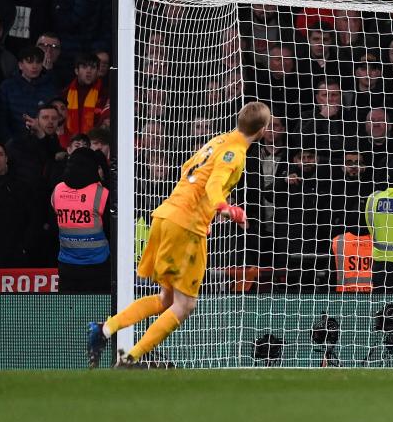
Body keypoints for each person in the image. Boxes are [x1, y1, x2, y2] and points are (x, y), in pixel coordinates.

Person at [87, 101, 271, 367]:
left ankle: (103, 330)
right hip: (184, 226)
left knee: (168, 299)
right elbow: (214, 184)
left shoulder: (218, 140)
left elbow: (188, 171)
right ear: (263, 130)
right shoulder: (235, 152)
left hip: (166, 215)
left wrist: (206, 212)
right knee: (185, 305)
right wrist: (227, 209)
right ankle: (131, 358)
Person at [52, 145, 113, 293]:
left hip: (67, 264)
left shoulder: (57, 190)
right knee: (98, 312)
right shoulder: (102, 193)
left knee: (70, 311)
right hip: (97, 266)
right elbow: (111, 230)